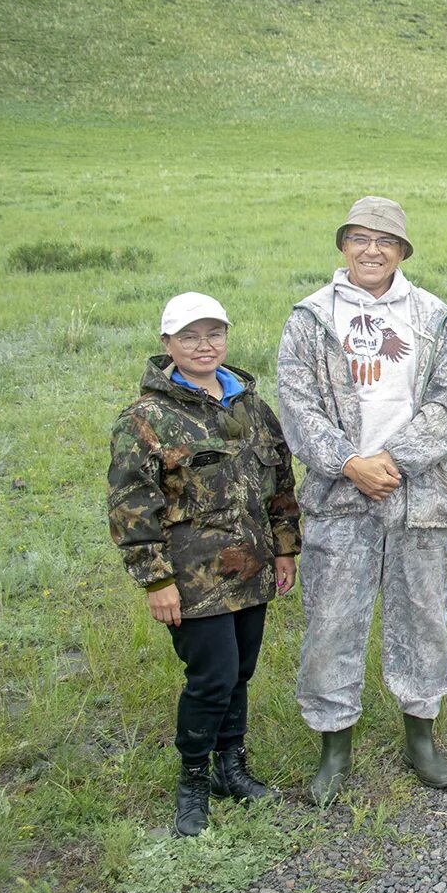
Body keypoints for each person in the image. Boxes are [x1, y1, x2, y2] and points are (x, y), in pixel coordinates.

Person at [276, 196, 447, 805]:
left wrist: (391, 461)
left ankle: (421, 739)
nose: (372, 250)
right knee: (332, 622)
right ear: (343, 246)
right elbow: (297, 405)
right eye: (360, 238)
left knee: (423, 617)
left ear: (402, 252)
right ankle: (334, 749)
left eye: (385, 241)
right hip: (339, 497)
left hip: (418, 496)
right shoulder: (310, 319)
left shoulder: (433, 316)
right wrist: (349, 463)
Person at [107, 292, 300, 837]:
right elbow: (130, 506)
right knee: (211, 679)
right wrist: (156, 580)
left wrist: (284, 548)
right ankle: (192, 782)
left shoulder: (250, 406)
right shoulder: (147, 419)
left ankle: (229, 769)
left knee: (240, 673)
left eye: (213, 334)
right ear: (167, 344)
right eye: (189, 336)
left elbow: (279, 482)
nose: (203, 346)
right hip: (192, 583)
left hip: (254, 571)